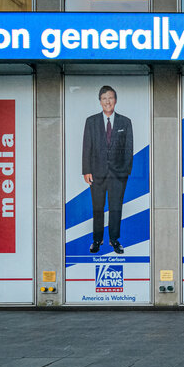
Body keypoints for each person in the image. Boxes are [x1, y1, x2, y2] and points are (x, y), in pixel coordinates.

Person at [82, 85, 133, 255]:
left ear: (115, 100)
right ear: (100, 101)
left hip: (118, 175)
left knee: (116, 208)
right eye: (104, 98)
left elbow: (129, 149)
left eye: (110, 98)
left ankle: (114, 240)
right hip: (97, 173)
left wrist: (125, 172)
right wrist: (86, 170)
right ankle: (97, 240)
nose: (107, 101)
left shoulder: (125, 122)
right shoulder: (91, 121)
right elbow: (86, 147)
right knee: (97, 208)